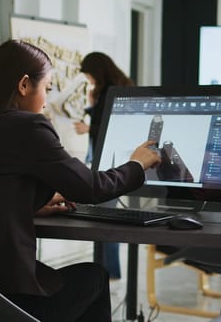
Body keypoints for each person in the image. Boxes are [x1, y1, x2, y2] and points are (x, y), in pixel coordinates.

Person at [0, 40, 161, 322]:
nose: (46, 101)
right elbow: (91, 187)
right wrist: (137, 164)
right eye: (48, 89)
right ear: (24, 85)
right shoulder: (28, 127)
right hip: (6, 305)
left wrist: (28, 204)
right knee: (95, 277)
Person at [73, 52, 134, 280]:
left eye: (89, 74)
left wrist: (88, 127)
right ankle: (106, 271)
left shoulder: (109, 91)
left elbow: (112, 127)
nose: (88, 79)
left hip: (109, 161)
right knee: (105, 217)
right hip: (115, 160)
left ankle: (107, 271)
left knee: (104, 218)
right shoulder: (121, 86)